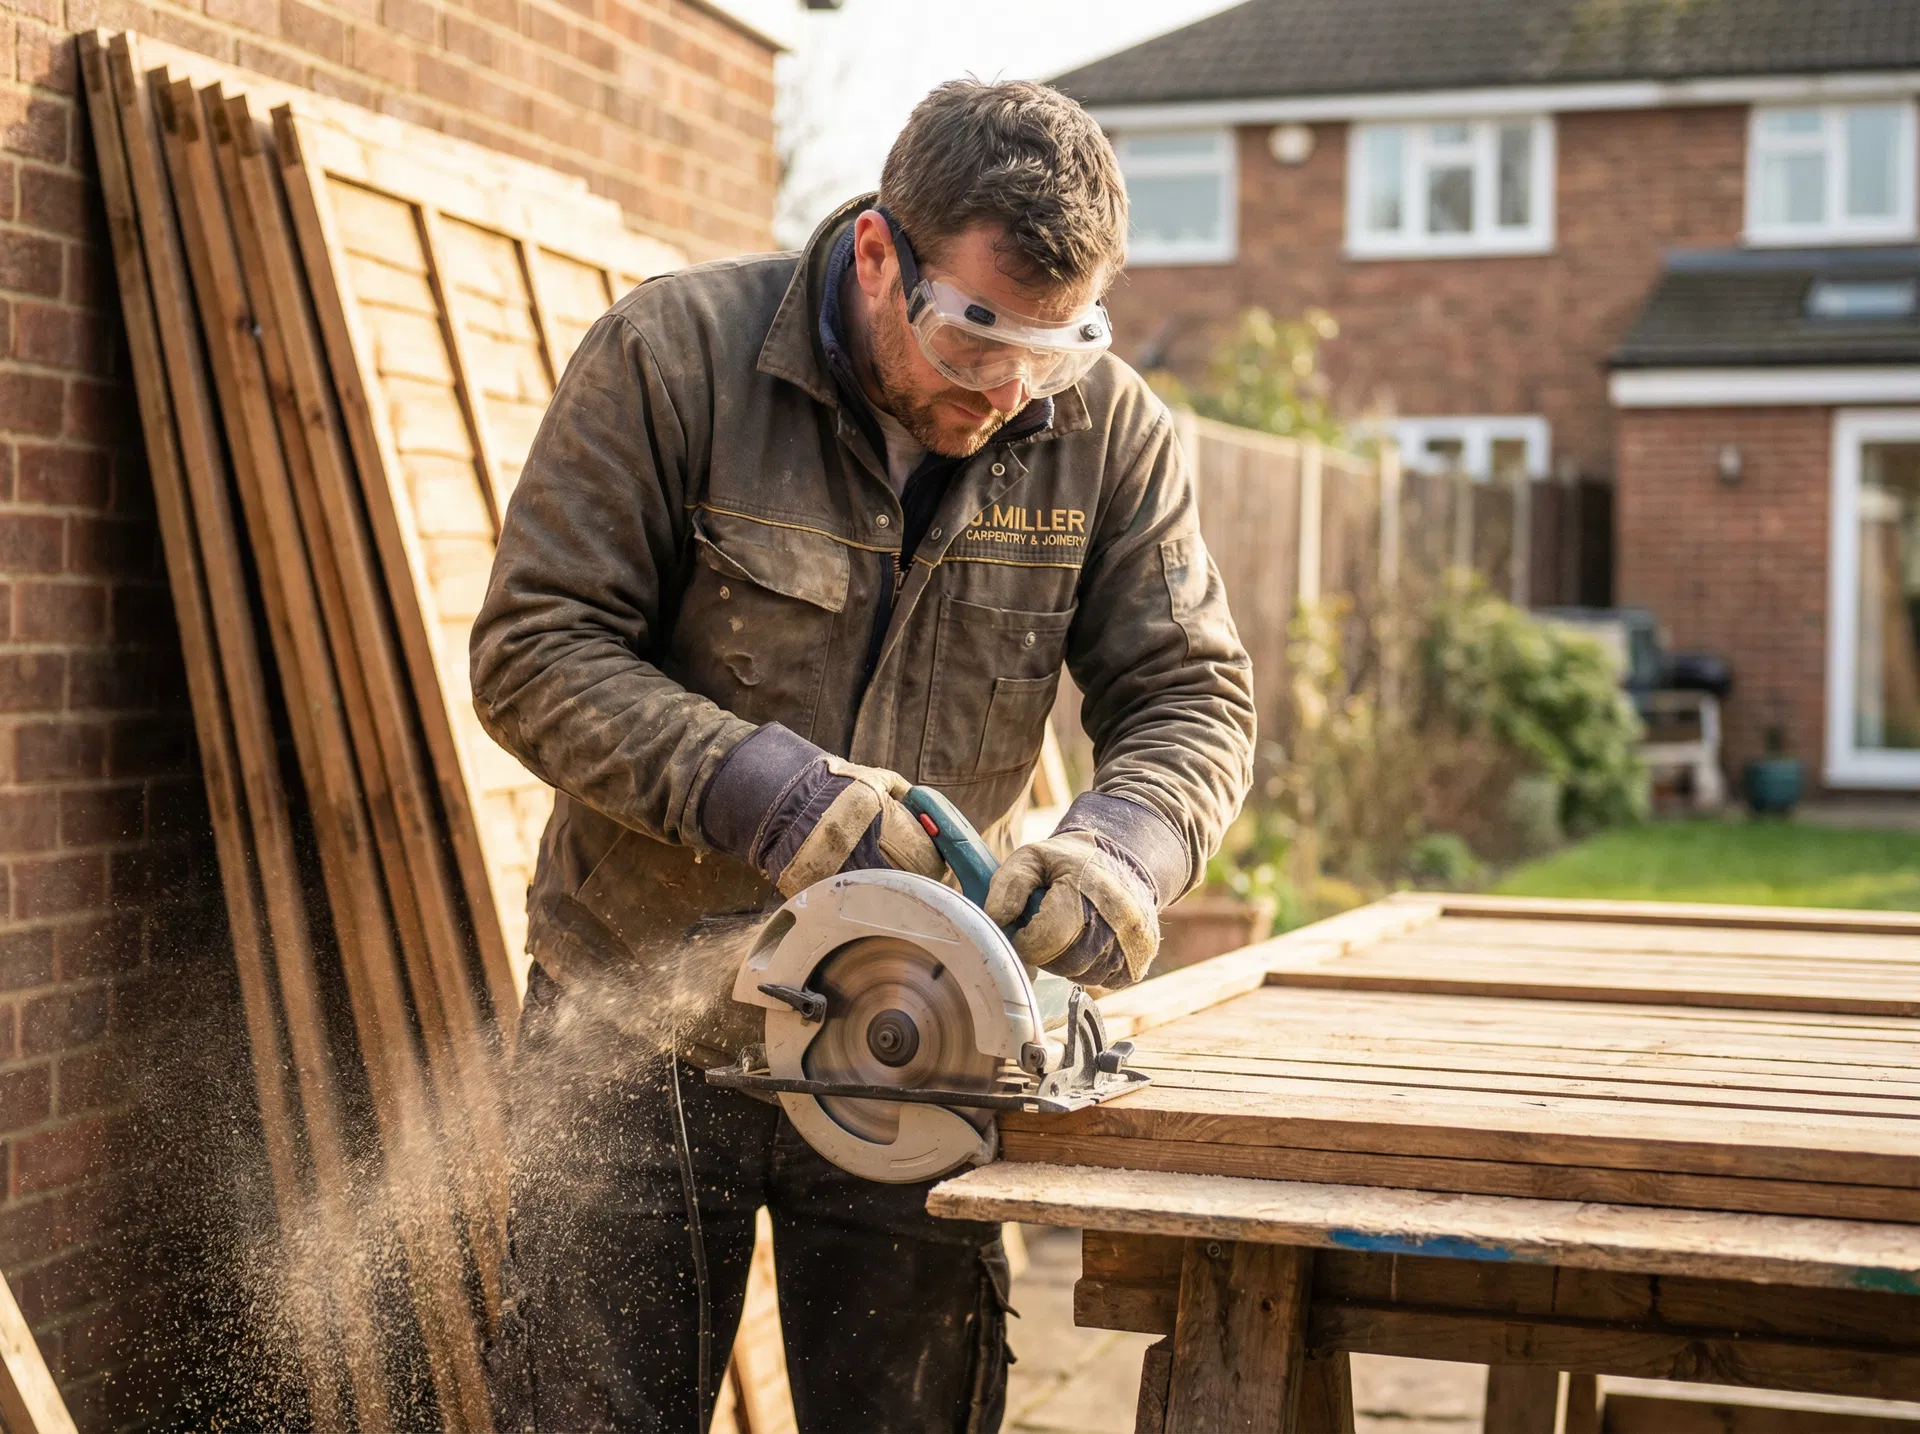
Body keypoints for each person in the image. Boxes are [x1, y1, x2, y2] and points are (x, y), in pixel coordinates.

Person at [470, 78, 1254, 1434]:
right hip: (637, 1028)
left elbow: (1192, 689)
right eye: (978, 340)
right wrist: (767, 793)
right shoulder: (673, 358)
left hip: (919, 1042)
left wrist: (1126, 846)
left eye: (1055, 350)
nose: (1010, 393)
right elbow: (533, 651)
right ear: (883, 254)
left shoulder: (1106, 428)